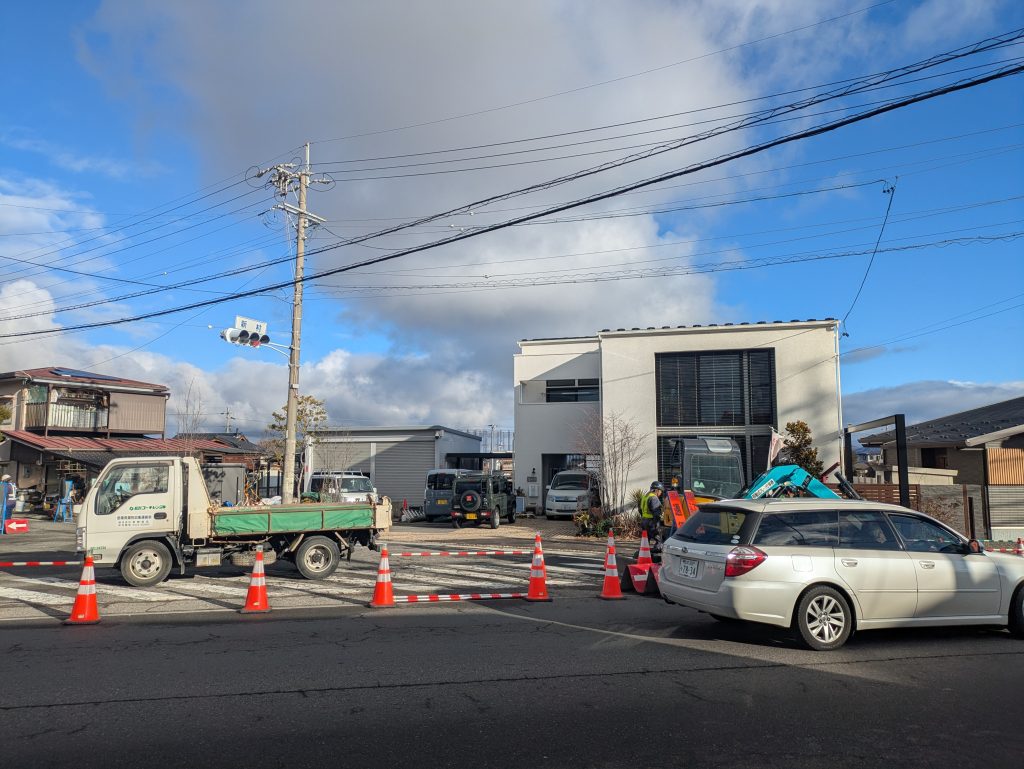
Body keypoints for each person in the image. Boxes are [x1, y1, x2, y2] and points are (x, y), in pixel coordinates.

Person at [640, 481, 665, 551]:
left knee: (645, 539)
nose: (660, 493)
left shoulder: (645, 497)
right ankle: (657, 551)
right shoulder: (654, 498)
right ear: (657, 490)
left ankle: (644, 553)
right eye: (660, 491)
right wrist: (659, 521)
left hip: (644, 521)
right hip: (651, 522)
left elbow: (640, 510)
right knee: (659, 539)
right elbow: (656, 513)